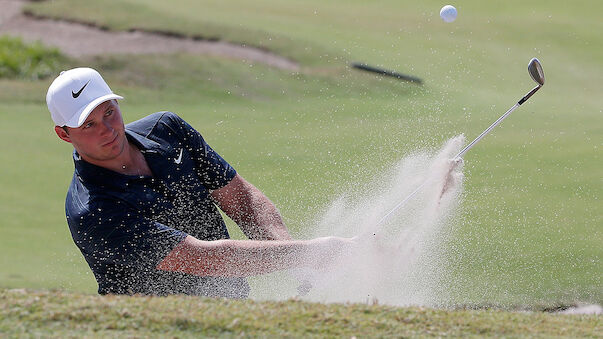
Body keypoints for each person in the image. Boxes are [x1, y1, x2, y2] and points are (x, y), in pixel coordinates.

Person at [47, 67, 353, 298]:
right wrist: (308, 253)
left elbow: (242, 198)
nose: (108, 129)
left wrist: (292, 256)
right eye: (89, 124)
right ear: (64, 134)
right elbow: (204, 259)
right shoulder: (92, 211)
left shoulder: (167, 130)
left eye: (109, 112)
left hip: (231, 313)